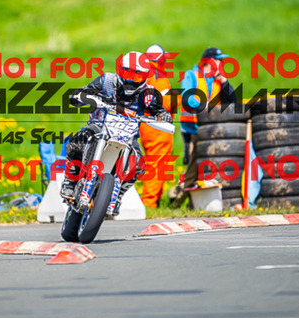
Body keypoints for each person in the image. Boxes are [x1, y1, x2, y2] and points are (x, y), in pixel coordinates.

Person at [60, 51, 173, 214]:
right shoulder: (106, 80)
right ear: (120, 70)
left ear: (144, 76)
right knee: (76, 143)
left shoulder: (149, 93)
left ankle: (118, 194)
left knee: (138, 165)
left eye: (136, 76)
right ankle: (70, 182)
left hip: (128, 136)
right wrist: (80, 97)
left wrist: (163, 116)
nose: (131, 80)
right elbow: (83, 92)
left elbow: (160, 111)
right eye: (128, 74)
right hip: (99, 126)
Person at [171, 47, 234, 206]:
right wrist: (204, 107)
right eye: (219, 60)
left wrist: (224, 82)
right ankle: (177, 201)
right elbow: (187, 97)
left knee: (206, 169)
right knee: (193, 169)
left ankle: (191, 204)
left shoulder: (218, 80)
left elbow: (232, 102)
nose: (222, 63)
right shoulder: (191, 75)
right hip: (192, 130)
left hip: (211, 132)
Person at [139, 45, 176, 209]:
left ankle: (154, 200)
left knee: (154, 163)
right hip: (158, 128)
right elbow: (167, 103)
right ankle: (149, 202)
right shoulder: (157, 76)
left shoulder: (145, 74)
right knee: (157, 164)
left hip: (148, 126)